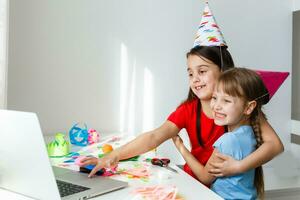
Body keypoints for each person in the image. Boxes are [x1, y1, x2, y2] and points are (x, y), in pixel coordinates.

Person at [81, 2, 283, 180]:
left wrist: (240, 166)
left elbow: (274, 144)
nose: (195, 79)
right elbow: (153, 137)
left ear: (224, 72)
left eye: (202, 71)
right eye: (190, 73)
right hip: (194, 183)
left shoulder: (239, 110)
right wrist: (111, 156)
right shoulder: (188, 110)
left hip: (225, 190)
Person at [173, 67, 268, 199]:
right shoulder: (250, 133)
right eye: (215, 98)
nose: (216, 106)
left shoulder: (228, 140)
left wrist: (180, 146)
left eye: (226, 101)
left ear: (248, 107)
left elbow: (205, 177)